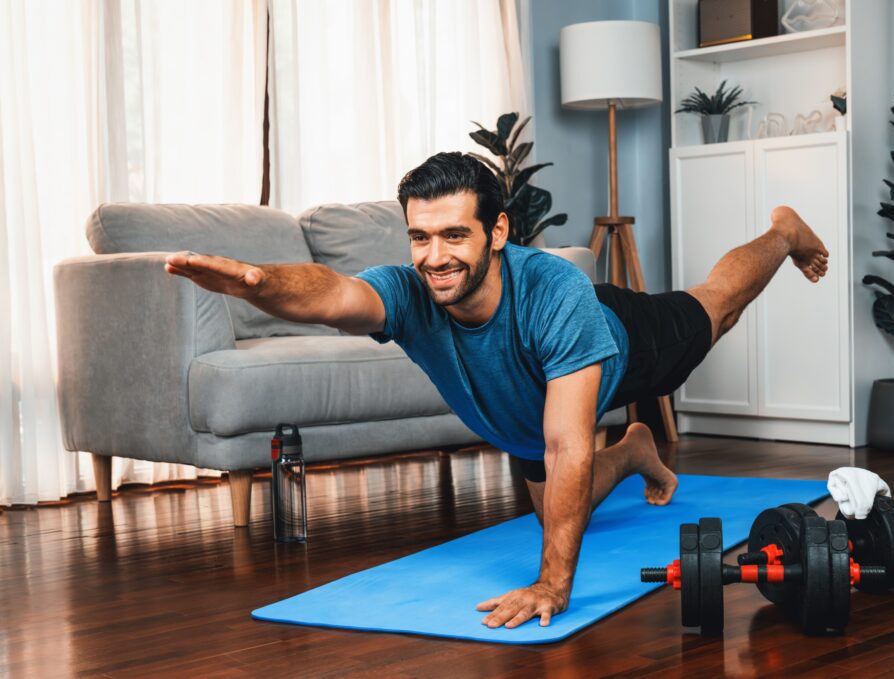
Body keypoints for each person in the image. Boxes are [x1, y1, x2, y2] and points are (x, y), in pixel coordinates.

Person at [164, 151, 849, 630]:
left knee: (716, 304)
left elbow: (567, 445)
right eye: (421, 237)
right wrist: (258, 281)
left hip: (617, 344)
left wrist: (553, 584)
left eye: (455, 235)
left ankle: (782, 230)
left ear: (498, 230)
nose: (435, 257)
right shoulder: (408, 292)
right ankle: (636, 445)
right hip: (529, 420)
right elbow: (334, 295)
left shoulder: (555, 293)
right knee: (557, 499)